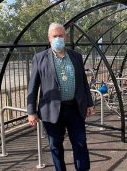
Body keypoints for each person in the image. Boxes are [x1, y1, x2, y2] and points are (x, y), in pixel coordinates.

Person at [27, 22, 94, 171]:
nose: (58, 38)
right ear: (49, 38)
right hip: (51, 110)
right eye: (55, 36)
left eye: (61, 35)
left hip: (75, 108)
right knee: (55, 145)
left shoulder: (76, 56)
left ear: (65, 37)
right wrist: (31, 111)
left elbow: (83, 81)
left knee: (80, 143)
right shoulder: (40, 58)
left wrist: (89, 103)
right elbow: (33, 86)